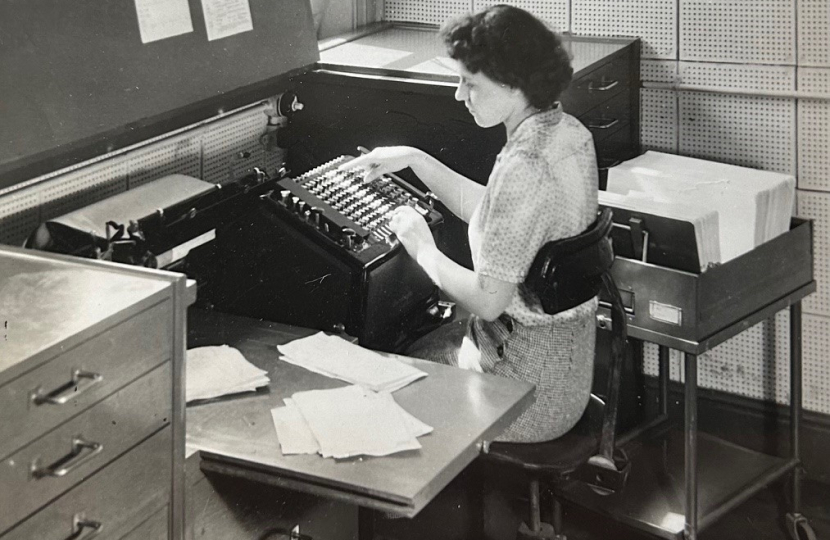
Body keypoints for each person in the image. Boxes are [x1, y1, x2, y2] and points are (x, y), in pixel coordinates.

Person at [348, 4, 598, 445]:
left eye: (470, 82)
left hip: (520, 395)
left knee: (375, 372)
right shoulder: (567, 133)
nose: (459, 95)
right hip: (568, 374)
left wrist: (422, 247)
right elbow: (504, 216)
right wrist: (415, 159)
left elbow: (487, 301)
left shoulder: (525, 164)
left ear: (512, 83)